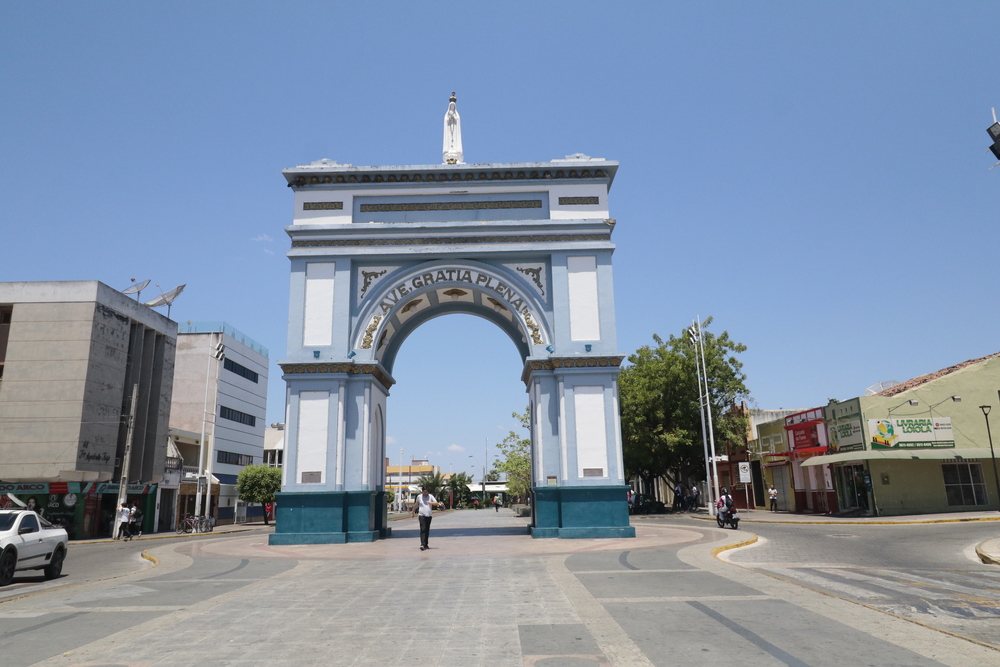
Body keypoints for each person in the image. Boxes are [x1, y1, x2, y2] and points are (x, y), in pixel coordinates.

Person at [412, 486, 442, 551]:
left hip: (428, 515)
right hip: (421, 515)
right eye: (424, 492)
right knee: (423, 529)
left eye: (426, 492)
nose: (425, 493)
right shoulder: (419, 497)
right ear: (422, 491)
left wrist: (430, 502)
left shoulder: (430, 496)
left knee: (427, 530)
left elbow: (436, 503)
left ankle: (426, 544)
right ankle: (422, 544)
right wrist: (413, 511)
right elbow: (416, 504)